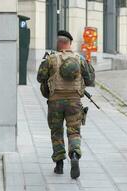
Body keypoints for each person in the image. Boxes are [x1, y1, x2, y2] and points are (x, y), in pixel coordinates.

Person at [37, 30, 95, 179]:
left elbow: (39, 77)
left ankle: (59, 164)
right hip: (74, 102)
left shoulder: (51, 59)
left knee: (56, 132)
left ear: (59, 43)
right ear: (69, 43)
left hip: (55, 101)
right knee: (74, 131)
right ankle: (74, 155)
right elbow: (90, 80)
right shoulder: (79, 59)